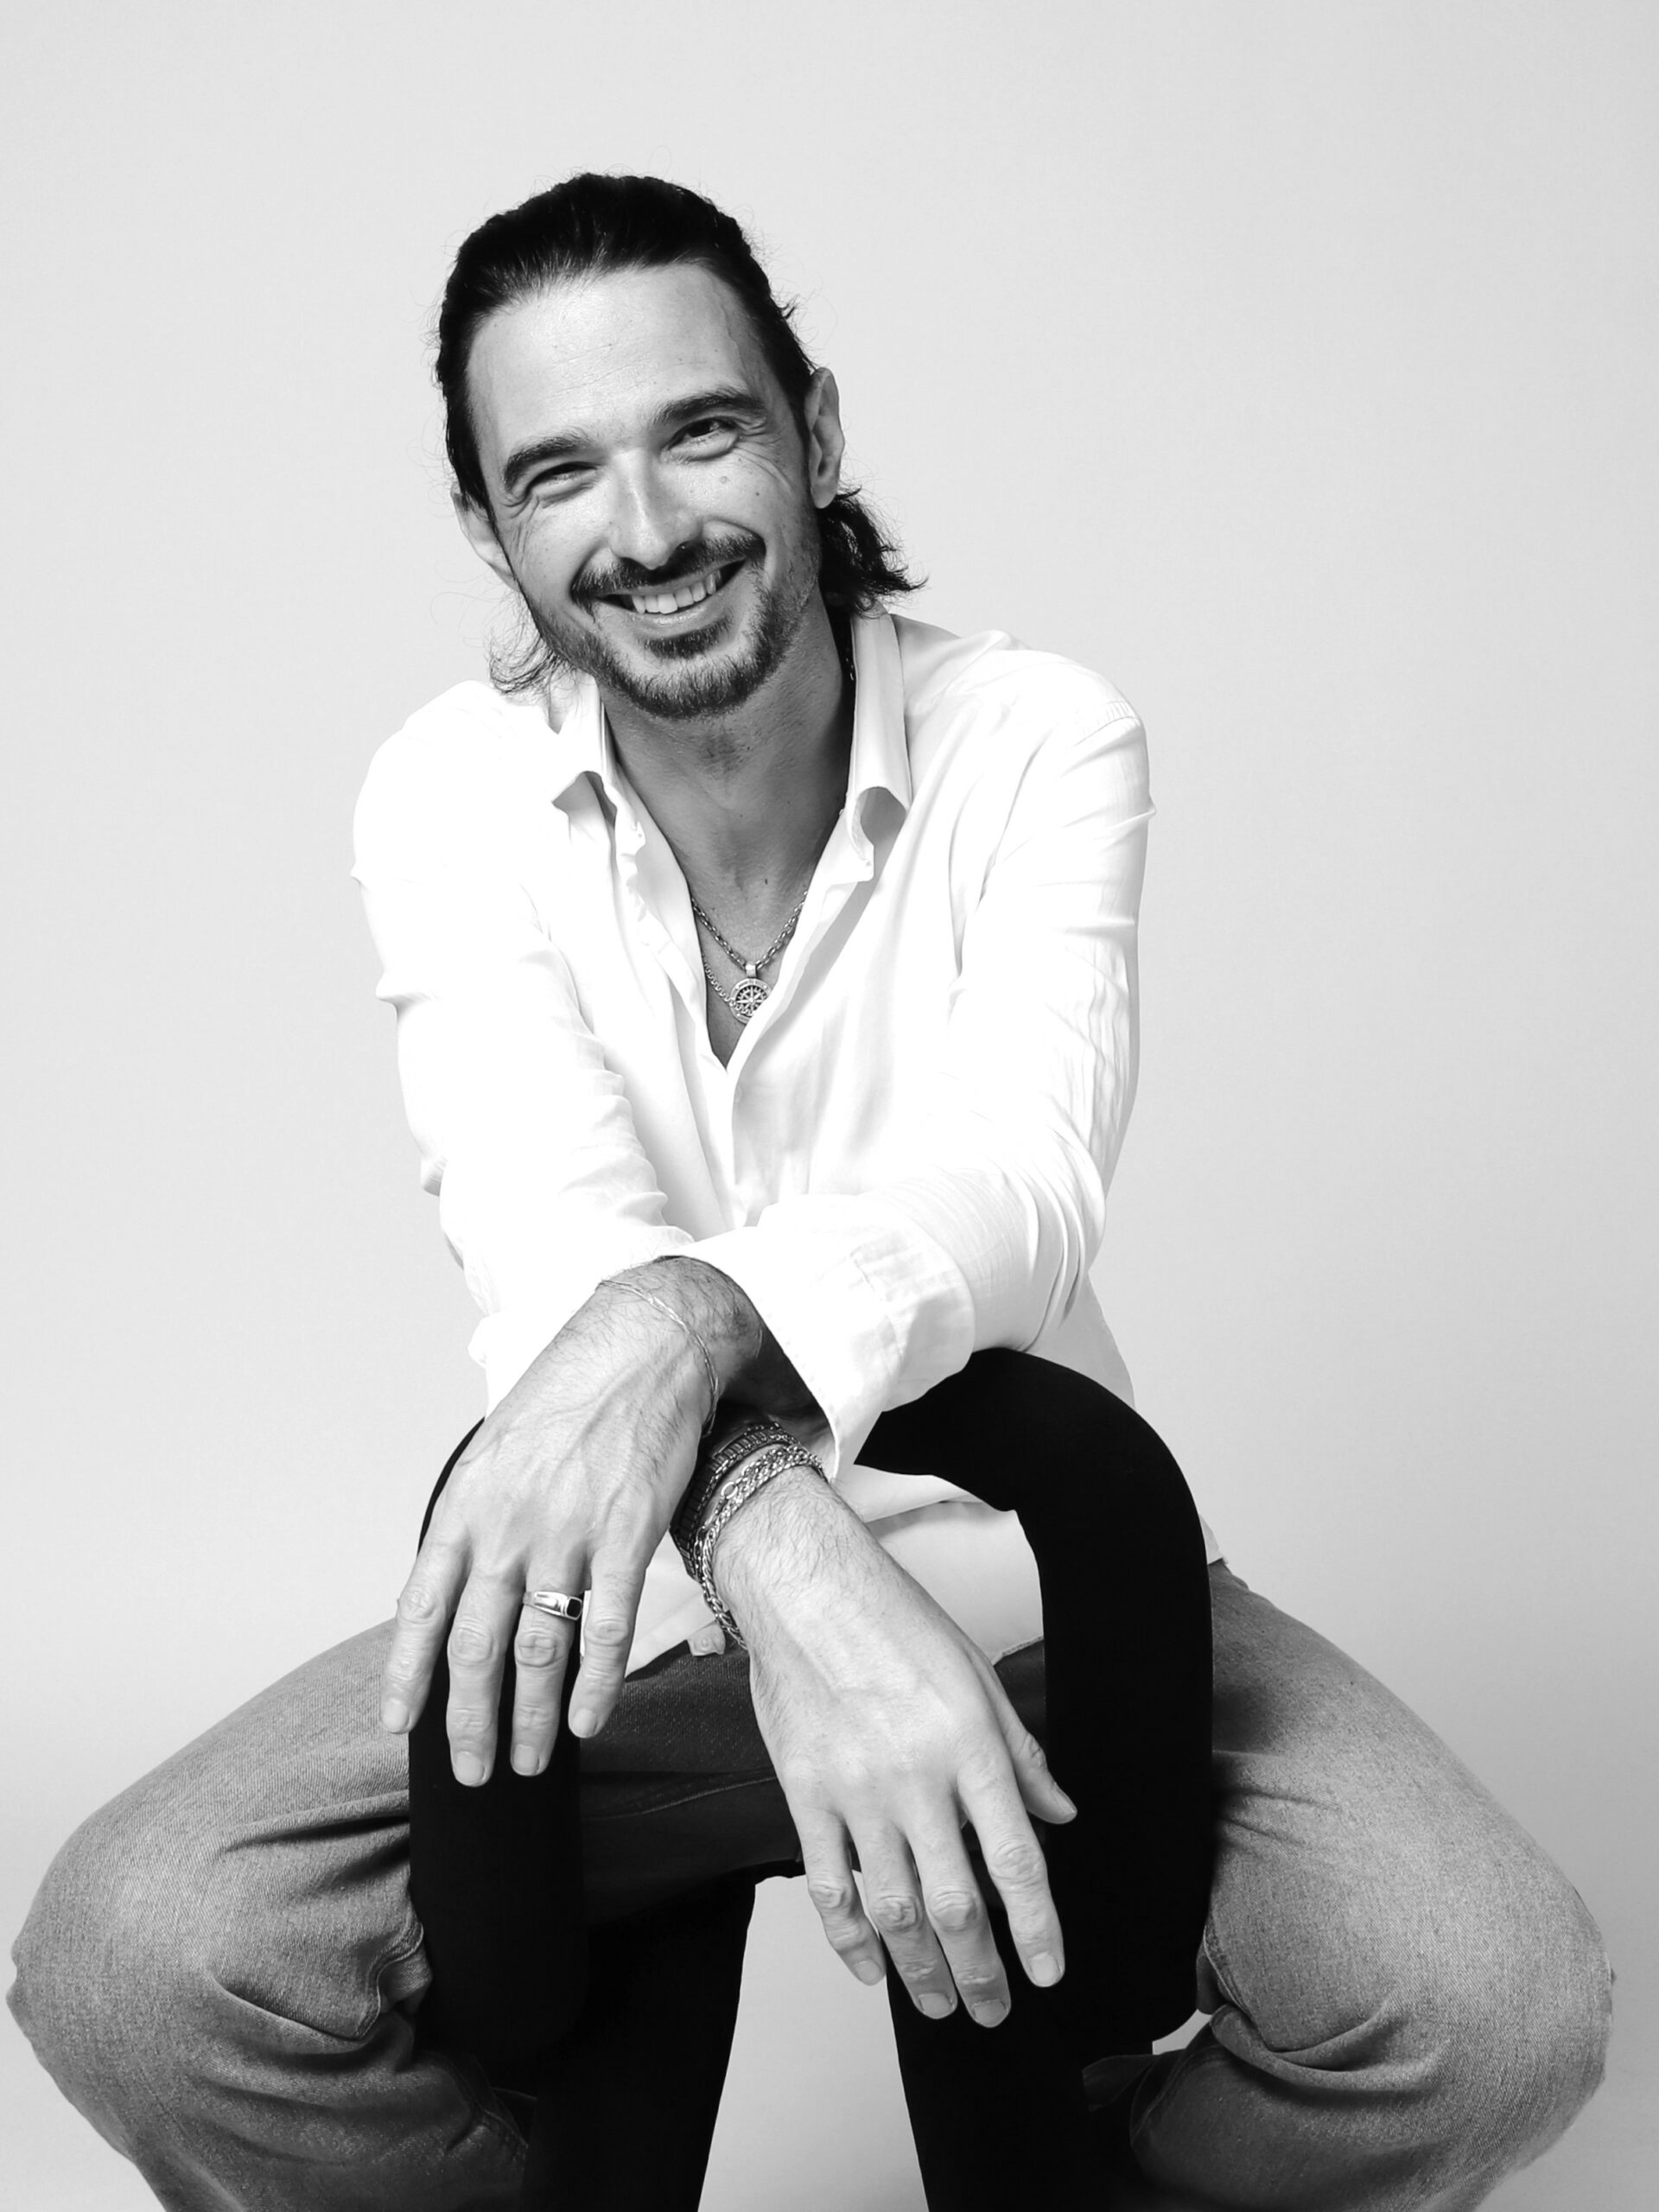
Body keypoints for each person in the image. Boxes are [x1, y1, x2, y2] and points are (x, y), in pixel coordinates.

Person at [9, 174, 1611, 2212]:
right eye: (559, 472)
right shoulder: (446, 790)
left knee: (1497, 2003)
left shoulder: (1040, 737)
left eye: (701, 431)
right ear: (491, 529)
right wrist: (787, 1556)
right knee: (128, 1962)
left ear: (816, 429)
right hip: (617, 1627)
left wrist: (689, 1319)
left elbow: (1016, 1176)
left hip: (1052, 1596)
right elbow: (547, 1229)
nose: (648, 528)